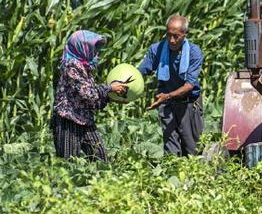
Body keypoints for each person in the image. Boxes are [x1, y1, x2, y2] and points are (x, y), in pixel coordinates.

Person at [51, 30, 128, 162]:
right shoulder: (71, 66)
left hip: (85, 120)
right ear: (81, 47)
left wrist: (110, 98)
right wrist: (110, 87)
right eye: (93, 49)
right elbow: (88, 93)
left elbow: (91, 99)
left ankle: (102, 183)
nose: (96, 53)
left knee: (102, 161)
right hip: (69, 121)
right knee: (68, 165)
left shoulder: (85, 67)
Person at [138, 14, 204, 156]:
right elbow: (142, 71)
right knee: (171, 149)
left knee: (192, 149)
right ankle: (172, 174)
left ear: (185, 34)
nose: (171, 40)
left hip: (188, 103)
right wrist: (125, 83)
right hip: (167, 104)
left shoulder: (194, 52)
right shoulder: (157, 49)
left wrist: (167, 96)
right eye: (168, 35)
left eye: (176, 36)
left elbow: (189, 86)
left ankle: (195, 177)